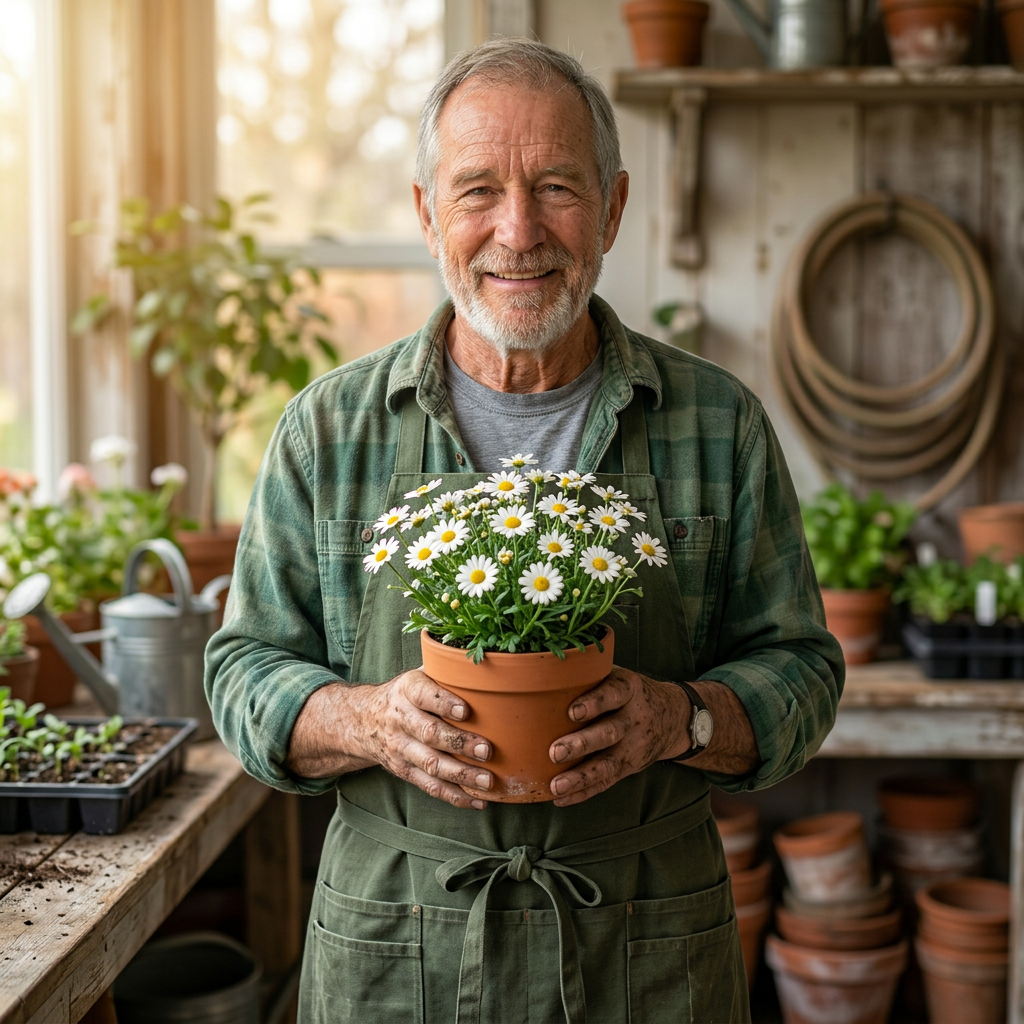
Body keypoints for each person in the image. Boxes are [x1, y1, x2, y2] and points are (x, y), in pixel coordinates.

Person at [207, 38, 844, 1024]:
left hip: (643, 953)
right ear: (426, 215)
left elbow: (802, 668)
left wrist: (678, 717)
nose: (517, 230)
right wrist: (366, 719)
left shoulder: (715, 422)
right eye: (476, 192)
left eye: (555, 187)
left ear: (614, 208)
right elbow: (243, 670)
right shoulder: (329, 430)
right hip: (396, 953)